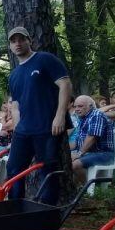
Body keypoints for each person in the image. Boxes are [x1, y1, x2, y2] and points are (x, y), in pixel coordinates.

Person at [6, 26, 72, 204]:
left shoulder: (45, 59)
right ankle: (14, 209)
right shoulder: (14, 75)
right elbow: (16, 105)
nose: (18, 43)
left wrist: (60, 115)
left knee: (47, 169)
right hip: (24, 130)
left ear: (30, 41)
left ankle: (48, 211)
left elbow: (65, 84)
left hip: (47, 126)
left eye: (21, 39)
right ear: (10, 46)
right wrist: (18, 127)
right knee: (13, 169)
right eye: (13, 41)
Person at [70, 95, 115, 182]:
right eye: (75, 106)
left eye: (80, 106)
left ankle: (87, 188)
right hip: (90, 153)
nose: (76, 109)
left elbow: (92, 137)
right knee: (64, 160)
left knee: (74, 165)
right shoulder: (83, 118)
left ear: (90, 106)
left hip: (104, 154)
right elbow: (76, 143)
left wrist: (79, 154)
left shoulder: (96, 115)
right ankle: (80, 186)